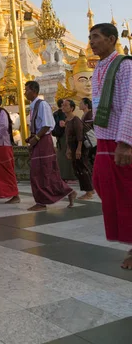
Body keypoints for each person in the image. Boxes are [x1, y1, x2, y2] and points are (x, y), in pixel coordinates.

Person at [89, 23, 132, 270]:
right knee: (102, 185)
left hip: (120, 139)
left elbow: (130, 103)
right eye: (90, 37)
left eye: (96, 37)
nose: (92, 42)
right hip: (104, 139)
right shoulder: (98, 68)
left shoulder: (125, 66)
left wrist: (126, 142)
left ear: (111, 39)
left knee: (126, 193)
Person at [25, 81, 77, 212]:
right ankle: (65, 193)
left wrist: (36, 138)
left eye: (26, 90)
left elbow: (47, 124)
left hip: (43, 141)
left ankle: (44, 201)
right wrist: (31, 138)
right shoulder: (33, 106)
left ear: (34, 90)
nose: (25, 93)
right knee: (39, 172)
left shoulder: (42, 104)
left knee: (45, 171)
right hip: (38, 140)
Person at [62, 99, 94, 200]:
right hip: (72, 147)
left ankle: (89, 192)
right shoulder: (68, 121)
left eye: (66, 106)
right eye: (63, 105)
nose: (63, 107)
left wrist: (79, 149)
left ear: (71, 108)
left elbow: (80, 136)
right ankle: (89, 189)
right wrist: (68, 149)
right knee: (77, 169)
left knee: (83, 168)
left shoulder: (76, 120)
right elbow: (67, 137)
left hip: (79, 147)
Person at [53, 98, 75, 181]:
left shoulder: (55, 113)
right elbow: (62, 124)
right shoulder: (62, 114)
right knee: (66, 157)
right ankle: (67, 176)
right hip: (64, 136)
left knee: (62, 157)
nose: (65, 106)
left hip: (59, 137)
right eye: (64, 105)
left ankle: (63, 175)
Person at [80, 97, 96, 167]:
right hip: (87, 138)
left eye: (81, 103)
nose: (79, 104)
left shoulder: (90, 114)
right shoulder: (84, 114)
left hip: (91, 138)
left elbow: (89, 127)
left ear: (86, 105)